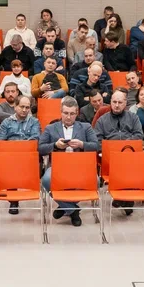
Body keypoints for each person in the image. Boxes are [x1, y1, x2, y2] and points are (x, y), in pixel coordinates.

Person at [40, 97, 99, 228]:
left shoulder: (85, 127)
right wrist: (55, 145)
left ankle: (65, 207)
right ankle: (73, 210)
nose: (68, 117)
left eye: (72, 114)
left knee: (96, 180)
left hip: (80, 166)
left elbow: (96, 145)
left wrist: (82, 144)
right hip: (58, 166)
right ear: (61, 112)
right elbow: (40, 148)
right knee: (46, 180)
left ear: (77, 113)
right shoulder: (50, 128)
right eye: (66, 113)